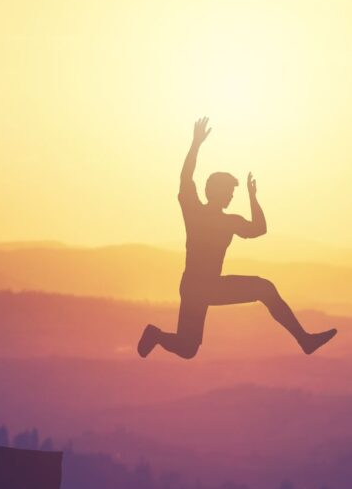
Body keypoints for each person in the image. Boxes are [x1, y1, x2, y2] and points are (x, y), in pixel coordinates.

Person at [138, 117, 337, 359]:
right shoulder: (199, 213)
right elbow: (186, 179)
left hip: (198, 287)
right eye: (230, 192)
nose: (232, 196)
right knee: (264, 288)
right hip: (201, 287)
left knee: (188, 348)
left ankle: (156, 335)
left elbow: (258, 229)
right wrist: (195, 144)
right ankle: (304, 340)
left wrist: (252, 196)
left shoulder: (218, 219)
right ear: (217, 192)